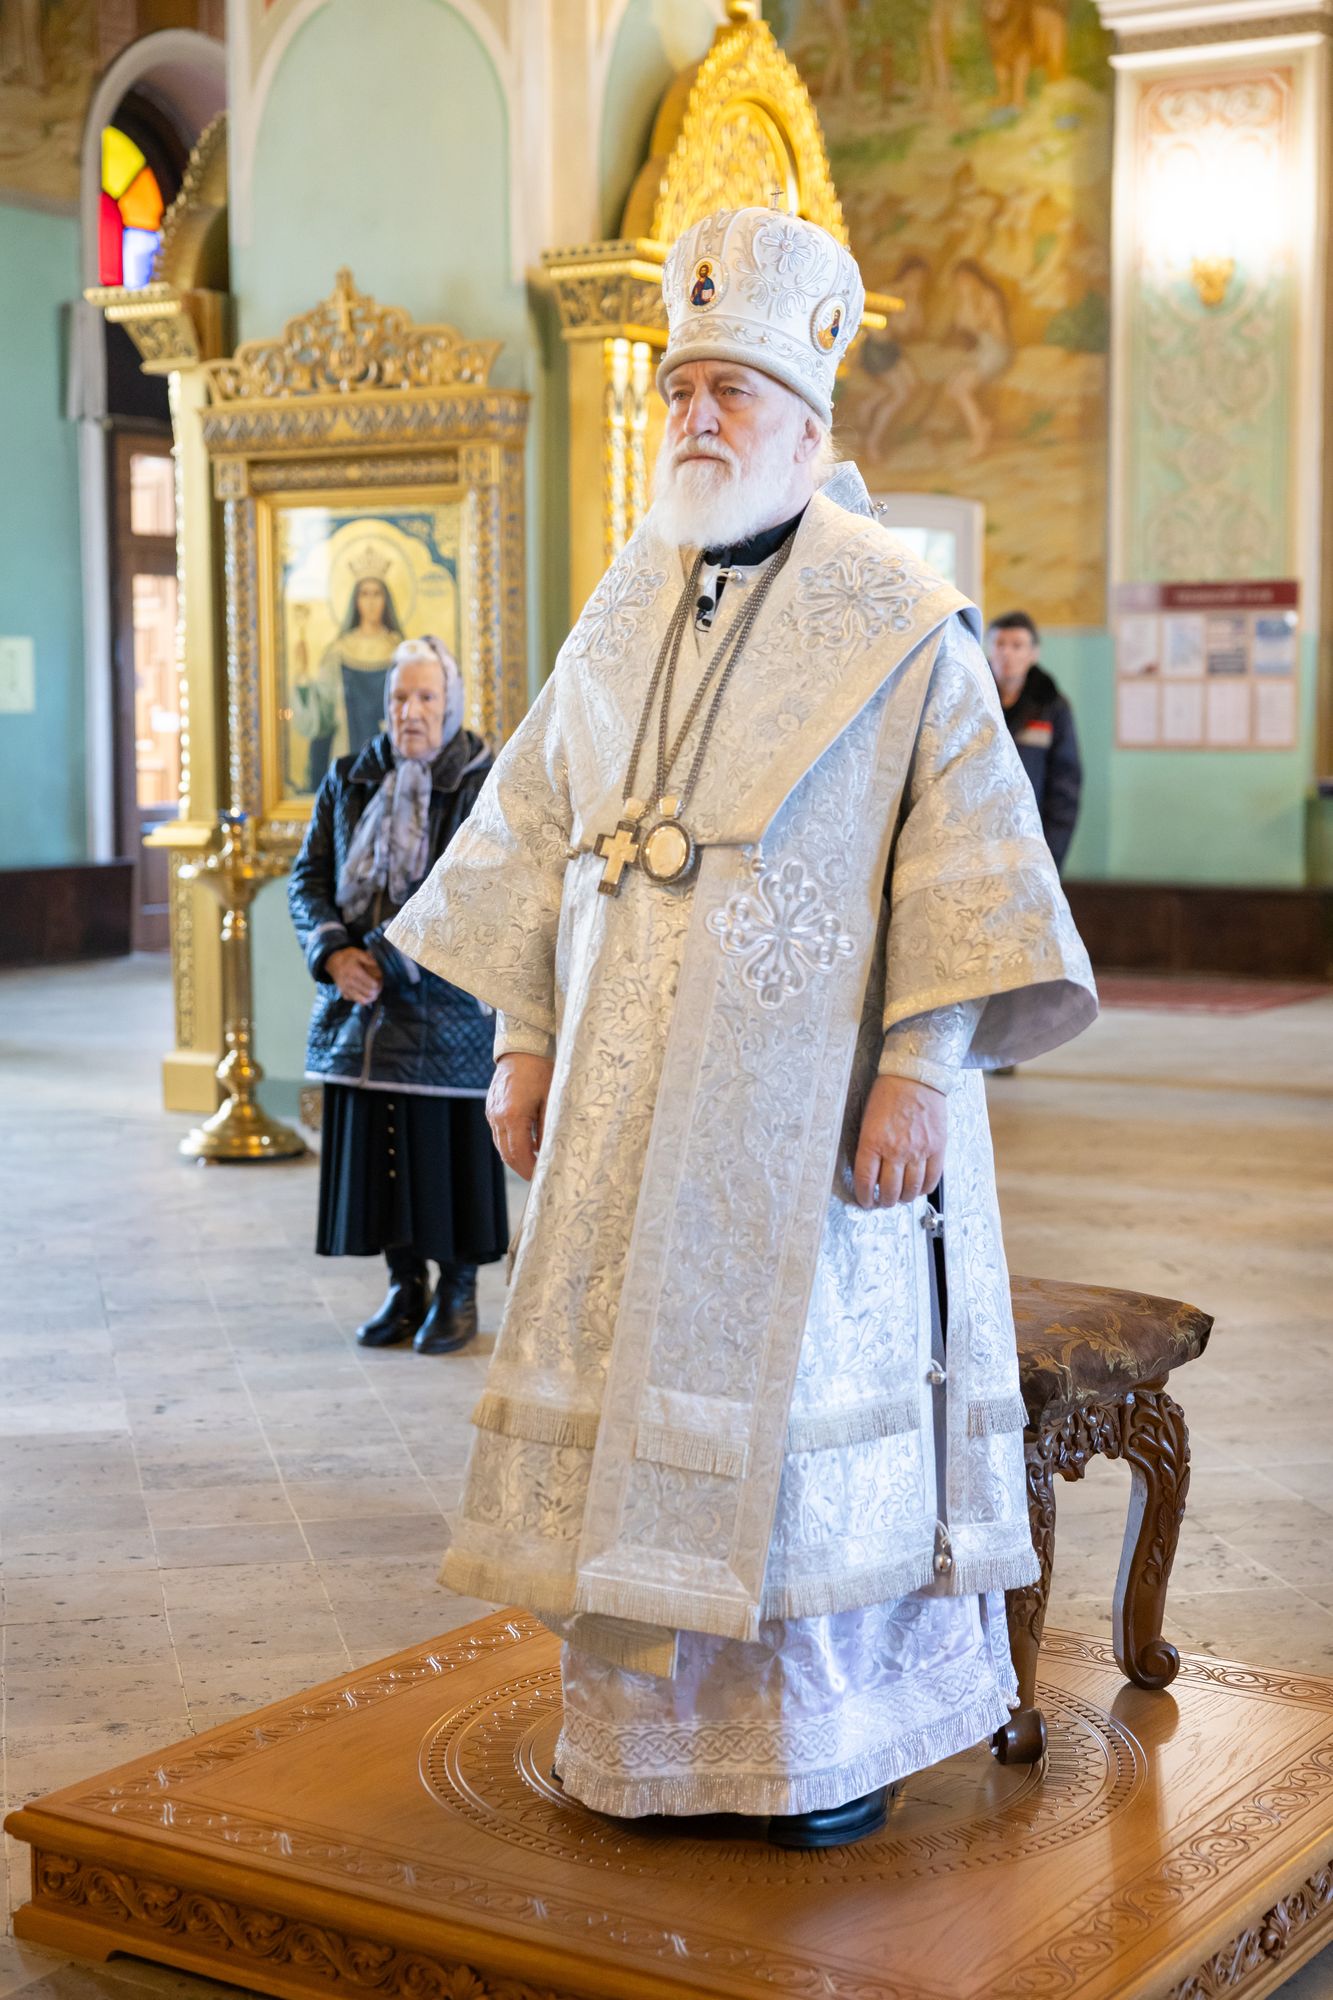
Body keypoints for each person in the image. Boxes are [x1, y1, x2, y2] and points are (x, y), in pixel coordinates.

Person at [388, 205, 1096, 1847]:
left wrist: (921, 1070)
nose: (695, 415)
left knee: (789, 1448)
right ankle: (647, 1748)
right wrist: (520, 1039)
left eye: (731, 389)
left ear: (807, 420)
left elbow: (968, 863)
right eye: (678, 387)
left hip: (815, 1129)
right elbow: (539, 836)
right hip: (625, 1123)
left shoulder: (902, 616)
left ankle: (818, 1752)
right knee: (634, 1424)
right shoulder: (620, 605)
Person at [288, 636, 509, 1355]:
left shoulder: (482, 780)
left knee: (447, 1157)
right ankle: (404, 1284)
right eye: (399, 697)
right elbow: (308, 877)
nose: (410, 711)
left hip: (448, 1013)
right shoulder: (349, 776)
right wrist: (333, 953)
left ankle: (458, 1291)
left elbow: (468, 888)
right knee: (381, 1158)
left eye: (425, 697)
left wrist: (381, 958)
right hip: (361, 1011)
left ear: (450, 704)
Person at [291, 569, 405, 791]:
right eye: (364, 594)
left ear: (386, 600)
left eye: (377, 594)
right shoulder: (339, 652)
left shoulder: (399, 650)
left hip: (390, 755)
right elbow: (323, 709)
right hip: (348, 749)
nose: (371, 602)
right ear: (356, 601)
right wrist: (302, 674)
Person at [987, 609, 1082, 870]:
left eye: (1017, 645)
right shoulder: (970, 701)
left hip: (1031, 842)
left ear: (1033, 654)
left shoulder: (1053, 707)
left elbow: (1064, 788)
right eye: (999, 644)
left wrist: (1050, 856)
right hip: (981, 841)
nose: (1007, 653)